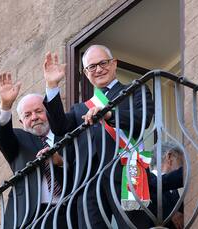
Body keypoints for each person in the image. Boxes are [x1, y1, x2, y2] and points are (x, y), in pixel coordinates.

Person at [43, 45, 155, 228]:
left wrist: (109, 115)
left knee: (134, 226)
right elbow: (59, 127)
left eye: (103, 63)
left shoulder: (135, 90)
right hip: (88, 183)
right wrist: (52, 86)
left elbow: (142, 119)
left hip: (127, 172)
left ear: (114, 64)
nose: (98, 69)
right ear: (86, 74)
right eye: (92, 67)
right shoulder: (80, 109)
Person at [0, 72, 70, 228]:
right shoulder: (18, 139)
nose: (34, 117)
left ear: (48, 113)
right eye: (27, 115)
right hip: (29, 216)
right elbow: (3, 135)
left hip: (66, 211)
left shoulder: (66, 135)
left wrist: (59, 162)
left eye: (39, 111)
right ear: (22, 121)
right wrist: (6, 106)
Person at [148, 141, 184, 229]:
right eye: (181, 162)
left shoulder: (174, 190)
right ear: (169, 157)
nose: (182, 167)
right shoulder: (147, 181)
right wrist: (170, 213)